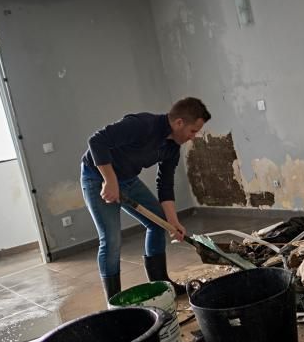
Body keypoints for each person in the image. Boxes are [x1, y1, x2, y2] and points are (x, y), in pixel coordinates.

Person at [81, 97, 211, 301]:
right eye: (192, 131)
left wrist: (173, 222)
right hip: (97, 176)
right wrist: (110, 180)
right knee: (112, 239)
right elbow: (96, 141)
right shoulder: (142, 124)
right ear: (179, 123)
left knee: (158, 224)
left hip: (128, 179)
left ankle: (160, 283)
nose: (193, 137)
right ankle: (115, 301)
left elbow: (165, 185)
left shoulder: (172, 148)